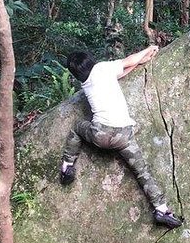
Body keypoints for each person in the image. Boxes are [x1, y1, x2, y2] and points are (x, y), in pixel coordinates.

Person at [60, 46, 182, 229]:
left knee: (77, 128)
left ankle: (67, 165)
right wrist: (149, 49)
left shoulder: (86, 83)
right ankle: (161, 209)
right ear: (89, 58)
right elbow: (128, 60)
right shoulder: (102, 68)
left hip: (100, 135)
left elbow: (121, 72)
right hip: (124, 136)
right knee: (142, 172)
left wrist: (141, 61)